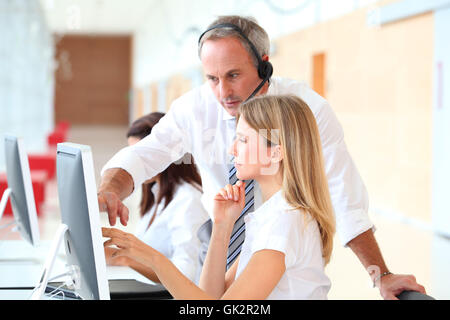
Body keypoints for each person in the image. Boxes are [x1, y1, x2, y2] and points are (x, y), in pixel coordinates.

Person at [98, 15, 425, 299]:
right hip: (236, 225)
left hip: (274, 244)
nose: (222, 92)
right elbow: (144, 154)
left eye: (233, 75)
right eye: (211, 78)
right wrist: (112, 188)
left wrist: (379, 273)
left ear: (264, 64)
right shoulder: (263, 218)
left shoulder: (286, 211)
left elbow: (345, 197)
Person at [103, 94, 336, 299]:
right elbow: (209, 296)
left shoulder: (284, 221)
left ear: (275, 153)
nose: (232, 149)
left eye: (243, 140)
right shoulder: (271, 215)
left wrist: (151, 257)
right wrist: (222, 227)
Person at [104, 112, 209, 284]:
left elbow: (187, 275)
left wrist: (123, 260)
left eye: (139, 156)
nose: (133, 165)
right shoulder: (155, 192)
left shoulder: (189, 200)